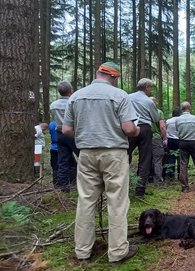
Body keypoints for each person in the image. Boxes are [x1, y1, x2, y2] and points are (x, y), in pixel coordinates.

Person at [62, 61, 139, 264]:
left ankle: (82, 251)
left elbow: (66, 130)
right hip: (114, 153)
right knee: (117, 202)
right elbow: (129, 129)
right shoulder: (119, 95)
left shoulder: (76, 96)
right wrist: (137, 130)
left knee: (86, 201)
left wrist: (86, 134)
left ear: (98, 74)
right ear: (114, 77)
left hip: (86, 153)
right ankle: (117, 252)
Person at [127, 78, 160, 198]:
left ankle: (123, 183)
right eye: (150, 87)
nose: (151, 90)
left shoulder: (128, 97)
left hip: (130, 127)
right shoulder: (149, 101)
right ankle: (140, 190)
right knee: (145, 159)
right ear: (146, 87)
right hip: (145, 129)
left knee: (125, 155)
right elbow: (156, 118)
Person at [50, 80, 79, 192]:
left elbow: (53, 119)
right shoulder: (74, 102)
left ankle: (63, 187)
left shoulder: (53, 105)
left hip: (60, 134)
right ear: (70, 91)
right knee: (83, 157)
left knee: (63, 161)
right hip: (73, 133)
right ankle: (85, 182)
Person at [149, 97, 167, 183]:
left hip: (145, 138)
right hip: (156, 138)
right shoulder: (159, 112)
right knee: (158, 159)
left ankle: (148, 178)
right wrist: (165, 138)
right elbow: (162, 127)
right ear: (155, 103)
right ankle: (159, 179)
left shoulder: (143, 112)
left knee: (146, 158)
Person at [165, 108, 182, 181]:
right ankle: (180, 174)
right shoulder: (181, 120)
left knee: (171, 157)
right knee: (180, 158)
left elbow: (165, 129)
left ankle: (170, 175)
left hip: (170, 140)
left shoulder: (168, 121)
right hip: (180, 140)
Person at [49, 121, 59, 186]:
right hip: (62, 148)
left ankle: (55, 183)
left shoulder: (51, 124)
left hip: (53, 148)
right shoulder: (63, 122)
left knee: (55, 167)